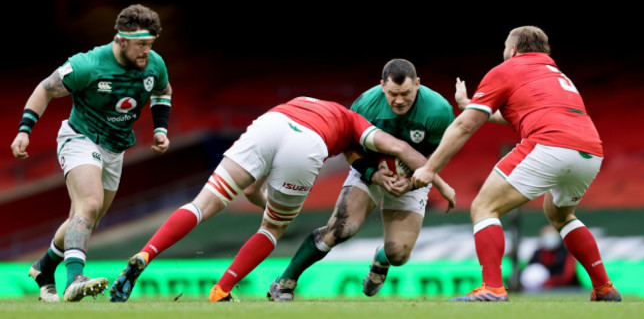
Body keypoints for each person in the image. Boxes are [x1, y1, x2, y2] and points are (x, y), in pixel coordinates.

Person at [109, 96, 435, 303]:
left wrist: (269, 201)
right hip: (306, 143)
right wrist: (442, 185)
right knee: (272, 231)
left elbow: (252, 190)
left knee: (202, 204)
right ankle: (220, 290)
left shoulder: (310, 100)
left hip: (272, 121)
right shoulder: (356, 122)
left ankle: (145, 253)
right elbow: (402, 149)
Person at [412, 26, 621, 302]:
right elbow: (522, 114)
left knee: (484, 207)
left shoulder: (507, 69)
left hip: (549, 145)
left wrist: (430, 168)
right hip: (590, 151)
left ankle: (492, 288)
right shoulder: (557, 75)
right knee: (560, 216)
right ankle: (604, 287)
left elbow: (464, 126)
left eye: (504, 48)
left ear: (512, 50)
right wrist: (473, 104)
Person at [10, 4, 172, 303]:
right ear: (120, 40)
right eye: (140, 45)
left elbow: (163, 91)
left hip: (116, 147)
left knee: (88, 217)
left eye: (150, 44)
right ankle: (75, 279)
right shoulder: (88, 65)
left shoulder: (154, 64)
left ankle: (44, 268)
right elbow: (45, 88)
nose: (146, 52)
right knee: (90, 203)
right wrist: (24, 130)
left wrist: (160, 129)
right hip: (81, 137)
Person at [267, 59, 456, 302]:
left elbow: (440, 154)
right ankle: (284, 282)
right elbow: (349, 147)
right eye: (392, 94)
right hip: (370, 171)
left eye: (406, 93)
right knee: (341, 228)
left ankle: (381, 259)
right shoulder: (366, 104)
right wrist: (373, 174)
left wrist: (412, 181)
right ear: (382, 87)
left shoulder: (438, 110)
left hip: (414, 176)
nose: (398, 100)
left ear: (418, 84)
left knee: (398, 254)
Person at [519, 225, 579, 292]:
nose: (549, 237)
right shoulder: (537, 253)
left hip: (563, 290)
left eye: (552, 233)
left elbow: (567, 276)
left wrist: (549, 282)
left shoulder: (565, 253)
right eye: (546, 234)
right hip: (537, 291)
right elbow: (530, 274)